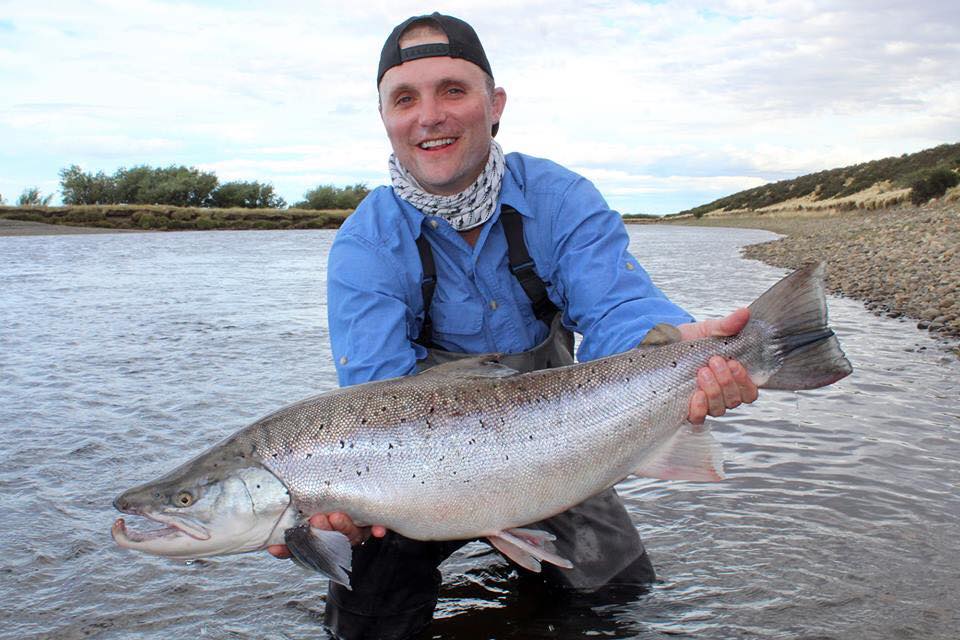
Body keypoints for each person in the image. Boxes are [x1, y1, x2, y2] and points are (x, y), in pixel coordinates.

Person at [269, 12, 758, 639]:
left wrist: (682, 356)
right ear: (386, 118)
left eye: (452, 90)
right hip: (410, 480)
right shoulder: (365, 244)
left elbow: (616, 310)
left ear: (494, 104)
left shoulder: (560, 200)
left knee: (619, 603)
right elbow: (376, 397)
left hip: (555, 448)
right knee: (364, 625)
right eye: (405, 99)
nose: (429, 116)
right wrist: (335, 510)